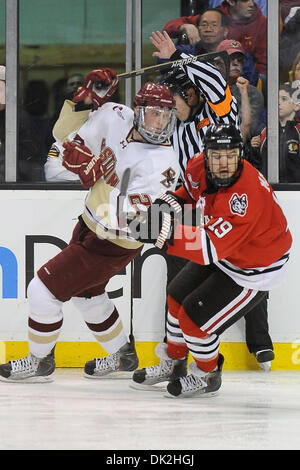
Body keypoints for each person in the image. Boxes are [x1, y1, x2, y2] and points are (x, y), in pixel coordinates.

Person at [0, 68, 180, 383]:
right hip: (87, 223)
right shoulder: (116, 116)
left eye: (165, 115)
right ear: (138, 112)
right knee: (88, 296)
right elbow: (62, 135)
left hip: (113, 241)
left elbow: (137, 221)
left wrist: (95, 170)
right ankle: (123, 355)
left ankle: (38, 361)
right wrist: (85, 100)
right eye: (153, 113)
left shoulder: (163, 165)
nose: (160, 122)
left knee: (41, 290)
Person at [129, 123, 292, 398]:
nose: (224, 162)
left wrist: (160, 231)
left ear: (240, 154)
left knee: (194, 320)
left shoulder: (245, 196)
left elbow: (207, 250)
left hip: (255, 268)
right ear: (206, 155)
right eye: (216, 155)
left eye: (230, 154)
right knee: (175, 297)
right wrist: (163, 206)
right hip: (228, 251)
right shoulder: (197, 167)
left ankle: (207, 374)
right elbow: (187, 196)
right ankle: (174, 362)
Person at [163, 0, 267, 78]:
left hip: (240, 76)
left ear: (225, 31)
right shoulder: (214, 16)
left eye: (214, 25)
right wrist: (184, 26)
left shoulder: (261, 23)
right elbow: (168, 28)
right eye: (245, 0)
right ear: (231, 1)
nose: (252, 4)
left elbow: (262, 65)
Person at [251, 83, 300, 183]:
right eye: (276, 99)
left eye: (284, 99)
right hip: (269, 189)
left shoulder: (298, 130)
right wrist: (253, 149)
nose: (278, 102)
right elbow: (256, 163)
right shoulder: (264, 131)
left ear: (296, 105)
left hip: (296, 190)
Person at [216, 39, 264, 139]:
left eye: (240, 60)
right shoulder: (207, 90)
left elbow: (247, 132)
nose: (236, 63)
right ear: (217, 64)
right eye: (230, 59)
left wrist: (244, 93)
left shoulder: (253, 93)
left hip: (238, 148)